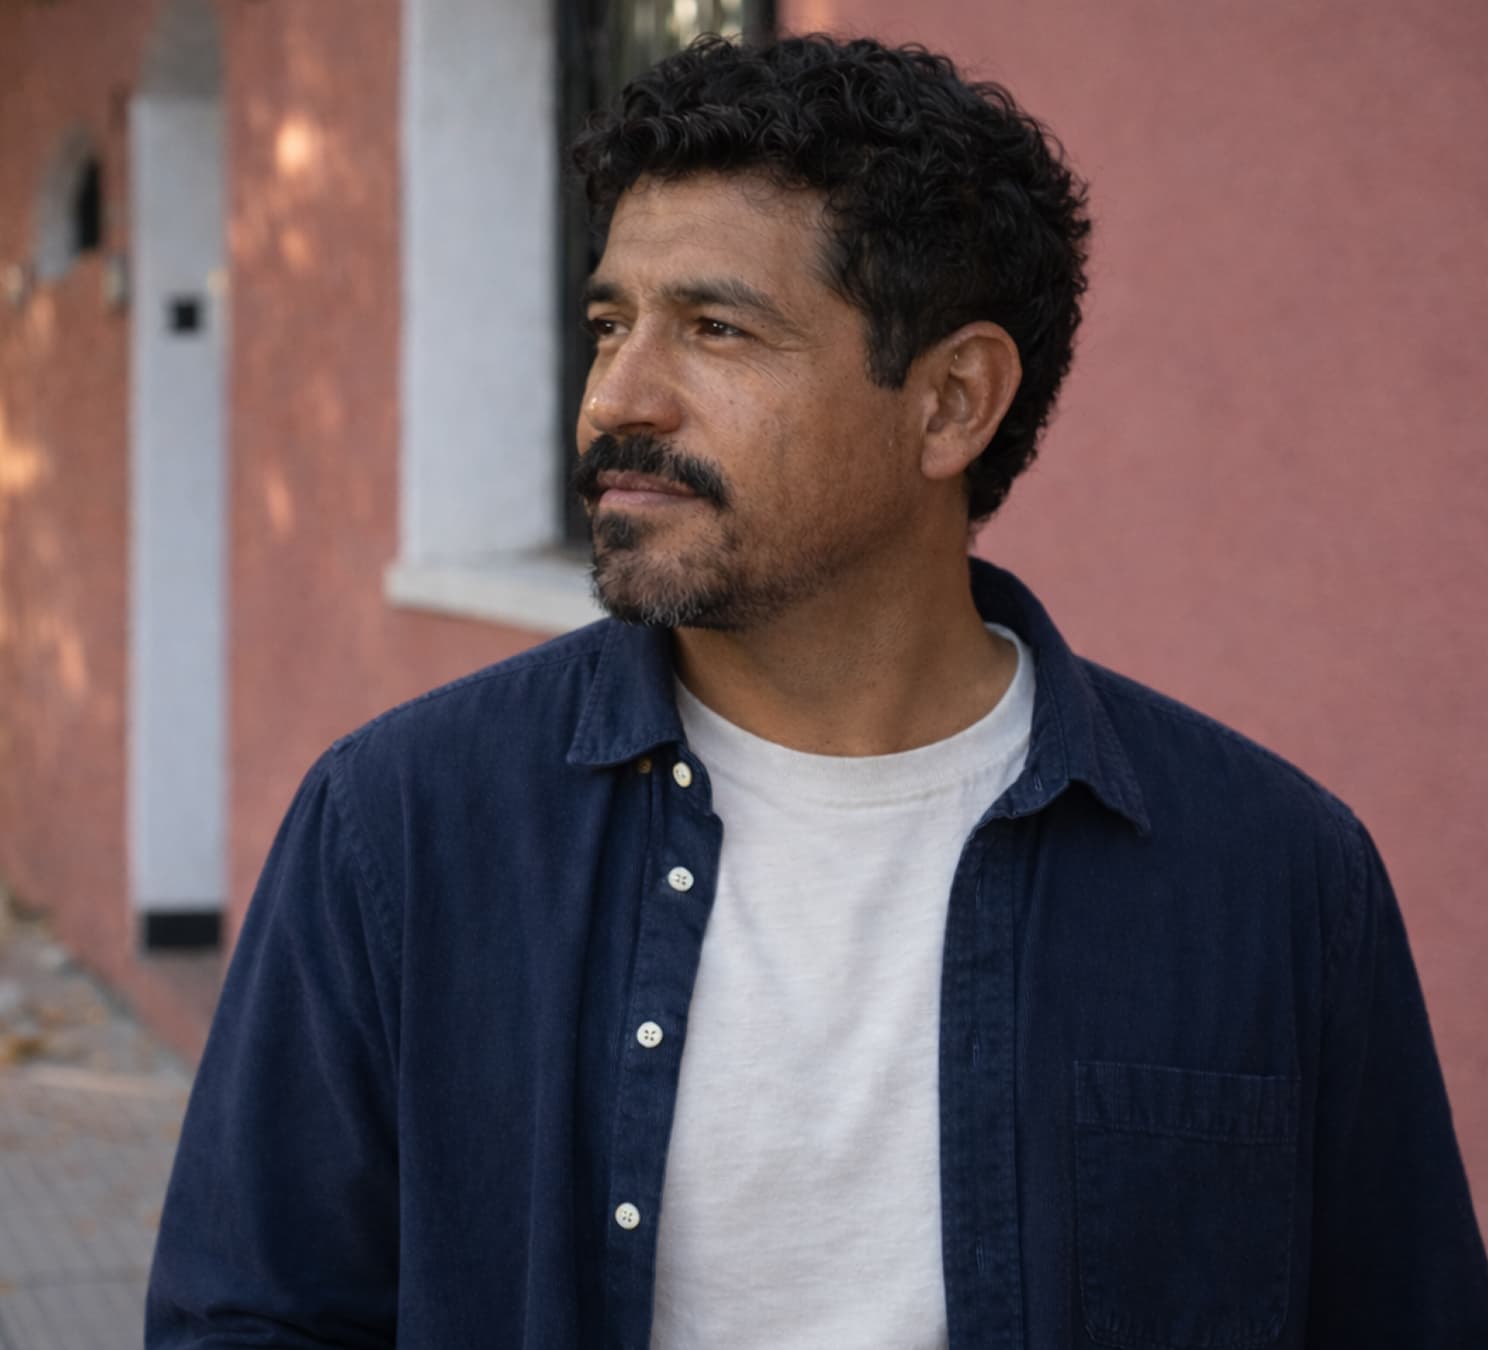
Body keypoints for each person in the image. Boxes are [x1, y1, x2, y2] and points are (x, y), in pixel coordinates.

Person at [145, 33, 1488, 1349]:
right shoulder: (402, 829)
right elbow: (247, 1316)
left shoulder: (1272, 878)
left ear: (952, 401)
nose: (618, 395)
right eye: (610, 323)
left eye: (716, 329)